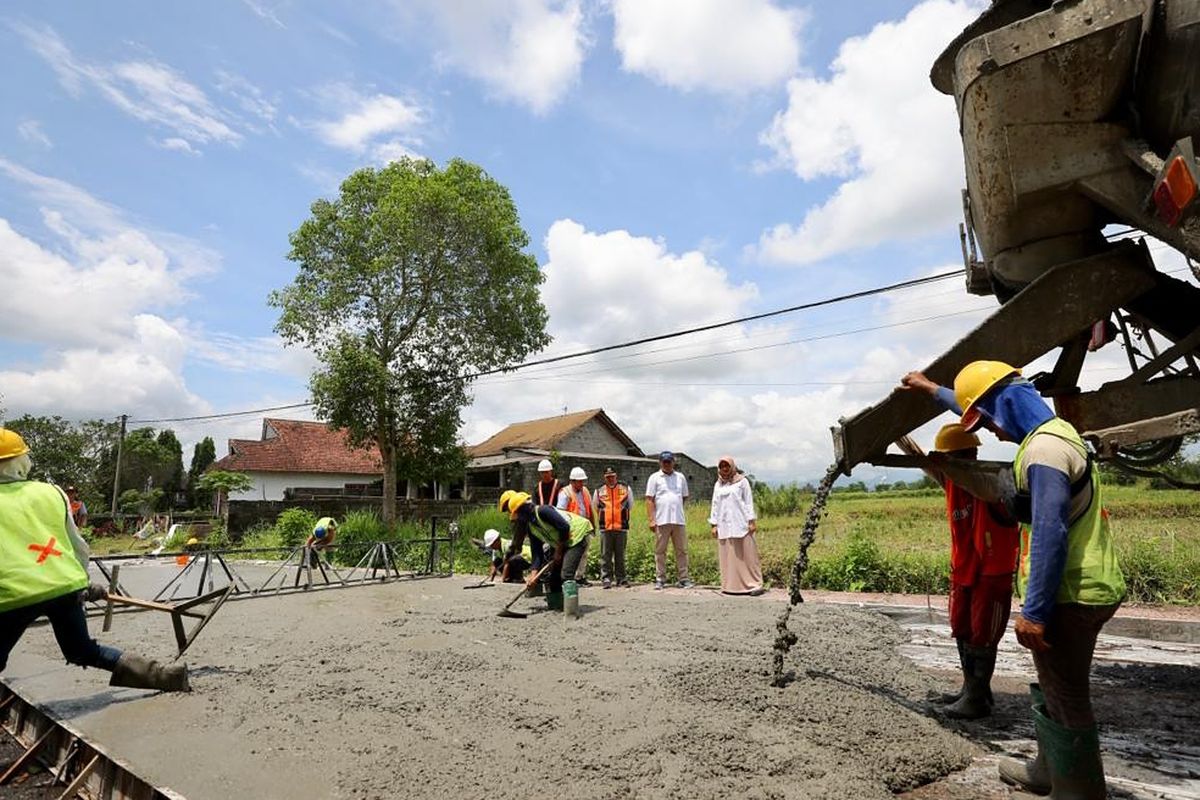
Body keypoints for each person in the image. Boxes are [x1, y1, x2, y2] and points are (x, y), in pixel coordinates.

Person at [903, 362, 1124, 798]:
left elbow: (1050, 530)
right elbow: (972, 400)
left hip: (1072, 592)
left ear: (1005, 404)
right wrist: (931, 389)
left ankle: (1077, 791)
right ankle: (1049, 768)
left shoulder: (1043, 453)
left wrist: (1035, 612)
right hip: (1078, 588)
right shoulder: (1052, 435)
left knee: (1068, 696)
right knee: (1053, 684)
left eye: (987, 421)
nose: (993, 433)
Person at [0, 429, 189, 692]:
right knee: (81, 650)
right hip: (64, 585)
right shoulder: (50, 493)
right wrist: (82, 584)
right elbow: (78, 546)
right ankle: (165, 676)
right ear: (21, 461)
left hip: (11, 597)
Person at [905, 422, 1018, 719]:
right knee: (964, 629)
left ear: (968, 454)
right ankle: (971, 691)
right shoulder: (951, 479)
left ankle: (977, 699)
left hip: (992, 570)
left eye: (947, 456)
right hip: (965, 569)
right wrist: (896, 436)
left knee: (983, 634)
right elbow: (921, 459)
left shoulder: (992, 480)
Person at [498, 490, 592, 618]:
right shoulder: (531, 527)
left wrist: (558, 551)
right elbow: (537, 553)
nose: (518, 520)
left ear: (523, 511)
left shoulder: (543, 511)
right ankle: (557, 606)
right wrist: (533, 575)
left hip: (578, 535)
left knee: (566, 573)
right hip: (564, 541)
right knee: (553, 576)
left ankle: (571, 612)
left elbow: (564, 527)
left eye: (518, 515)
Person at [709, 456, 763, 596]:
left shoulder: (742, 482)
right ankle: (731, 586)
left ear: (732, 467)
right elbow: (715, 505)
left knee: (747, 555)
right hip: (724, 525)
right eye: (722, 467)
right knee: (729, 557)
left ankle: (754, 585)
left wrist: (751, 521)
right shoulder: (718, 485)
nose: (725, 469)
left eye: (727, 466)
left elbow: (748, 501)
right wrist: (713, 524)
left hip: (741, 523)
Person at [645, 451, 692, 590]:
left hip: (678, 520)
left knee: (682, 550)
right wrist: (652, 519)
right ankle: (660, 579)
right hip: (662, 519)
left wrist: (675, 507)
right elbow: (649, 500)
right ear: (660, 463)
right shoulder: (654, 478)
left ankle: (683, 578)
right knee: (660, 551)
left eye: (669, 461)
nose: (667, 464)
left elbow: (684, 496)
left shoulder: (680, 477)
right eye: (664, 462)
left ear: (673, 462)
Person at [593, 467, 631, 589]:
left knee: (620, 554)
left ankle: (621, 579)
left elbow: (631, 505)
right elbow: (596, 506)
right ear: (604, 477)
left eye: (612, 476)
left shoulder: (625, 488)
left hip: (621, 527)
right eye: (608, 476)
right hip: (606, 527)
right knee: (605, 555)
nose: (610, 478)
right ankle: (606, 579)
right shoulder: (599, 490)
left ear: (616, 476)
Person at [557, 467, 595, 585]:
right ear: (572, 481)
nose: (582, 483)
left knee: (584, 553)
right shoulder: (565, 493)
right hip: (573, 530)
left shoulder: (585, 491)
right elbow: (560, 514)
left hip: (584, 528)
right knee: (572, 555)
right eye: (579, 481)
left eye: (583, 481)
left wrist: (593, 527)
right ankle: (570, 577)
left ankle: (580, 576)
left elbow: (589, 509)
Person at [528, 459, 561, 579]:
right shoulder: (537, 488)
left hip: (556, 521)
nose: (545, 475)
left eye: (547, 472)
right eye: (542, 473)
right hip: (541, 522)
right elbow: (534, 505)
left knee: (555, 549)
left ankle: (554, 574)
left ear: (551, 471)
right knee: (538, 550)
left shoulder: (559, 485)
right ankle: (540, 572)